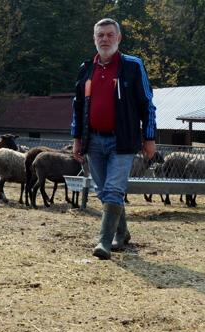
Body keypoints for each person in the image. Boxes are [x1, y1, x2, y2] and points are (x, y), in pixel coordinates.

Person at [71, 18, 157, 260]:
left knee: (113, 189)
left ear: (119, 38)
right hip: (94, 140)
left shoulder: (132, 66)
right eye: (100, 35)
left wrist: (149, 137)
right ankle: (123, 232)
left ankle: (104, 243)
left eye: (110, 35)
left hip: (123, 141)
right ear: (94, 39)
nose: (105, 39)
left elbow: (147, 105)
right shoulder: (86, 68)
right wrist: (77, 138)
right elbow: (78, 107)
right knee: (104, 191)